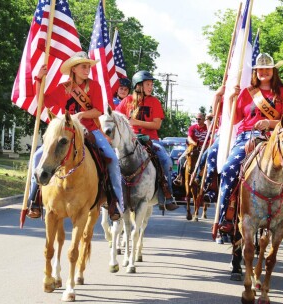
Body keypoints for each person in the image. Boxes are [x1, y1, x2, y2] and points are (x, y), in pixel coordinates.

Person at [28, 51, 124, 220]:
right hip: (66, 130)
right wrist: (38, 79)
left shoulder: (94, 86)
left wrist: (81, 116)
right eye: (83, 66)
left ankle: (115, 201)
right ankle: (34, 200)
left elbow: (98, 110)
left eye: (88, 66)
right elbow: (42, 101)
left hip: (90, 129)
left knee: (112, 158)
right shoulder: (63, 88)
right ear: (74, 69)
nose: (87, 69)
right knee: (37, 157)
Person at [215, 53, 283, 232]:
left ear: (273, 71)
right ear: (255, 72)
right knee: (228, 169)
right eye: (260, 69)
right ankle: (226, 216)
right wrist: (229, 99)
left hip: (274, 139)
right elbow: (234, 119)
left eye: (267, 68)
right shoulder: (246, 92)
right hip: (246, 136)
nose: (263, 72)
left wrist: (270, 123)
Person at [115, 70, 179, 211]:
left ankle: (167, 196)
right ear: (138, 85)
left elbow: (157, 125)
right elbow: (117, 120)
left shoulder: (154, 101)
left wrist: (135, 122)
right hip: (130, 140)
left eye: (151, 84)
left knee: (165, 160)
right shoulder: (127, 101)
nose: (151, 87)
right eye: (148, 84)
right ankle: (110, 194)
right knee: (112, 158)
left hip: (151, 140)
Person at [173, 113, 208, 186]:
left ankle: (203, 178)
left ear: (204, 120)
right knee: (181, 158)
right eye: (196, 119)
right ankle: (179, 177)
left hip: (204, 148)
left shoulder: (208, 128)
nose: (197, 120)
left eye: (199, 119)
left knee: (206, 160)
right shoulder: (192, 127)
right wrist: (195, 144)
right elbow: (189, 138)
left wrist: (204, 146)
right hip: (193, 148)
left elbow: (210, 139)